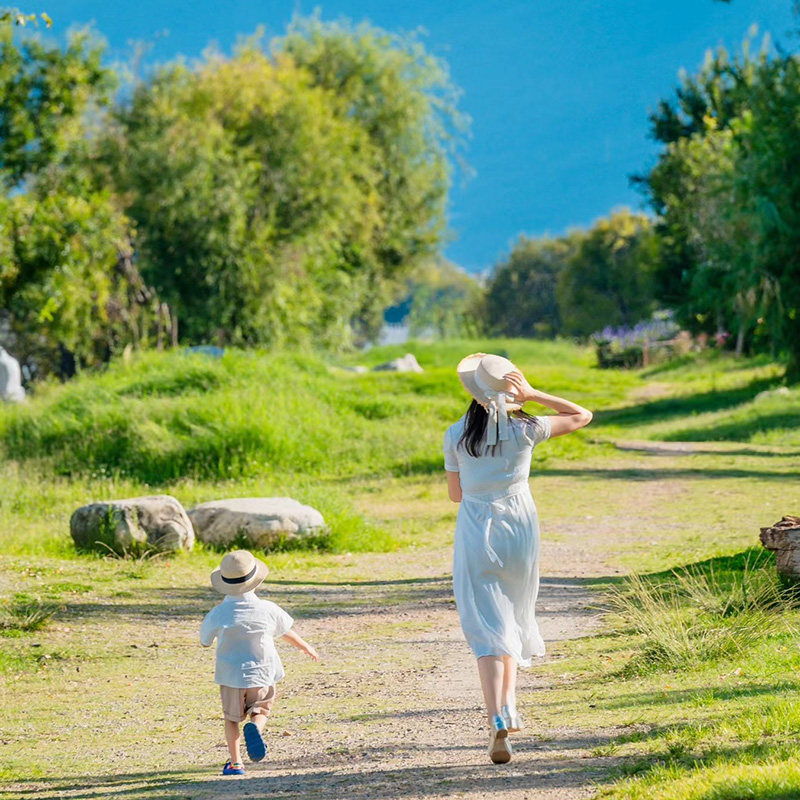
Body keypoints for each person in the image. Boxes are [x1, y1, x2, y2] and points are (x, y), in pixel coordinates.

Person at [443, 353, 592, 764]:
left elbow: (455, 495)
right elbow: (582, 415)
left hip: (476, 529)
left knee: (486, 626)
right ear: (511, 391)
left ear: (473, 391)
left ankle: (496, 716)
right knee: (511, 614)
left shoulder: (455, 434)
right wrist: (532, 394)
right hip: (519, 529)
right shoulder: (528, 428)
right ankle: (509, 708)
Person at [200, 550, 319, 776]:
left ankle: (236, 764)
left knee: (231, 719)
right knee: (261, 710)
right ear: (255, 581)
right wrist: (305, 646)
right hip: (262, 673)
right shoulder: (268, 608)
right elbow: (285, 631)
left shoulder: (218, 613)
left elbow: (204, 640)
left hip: (231, 676)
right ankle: (255, 727)